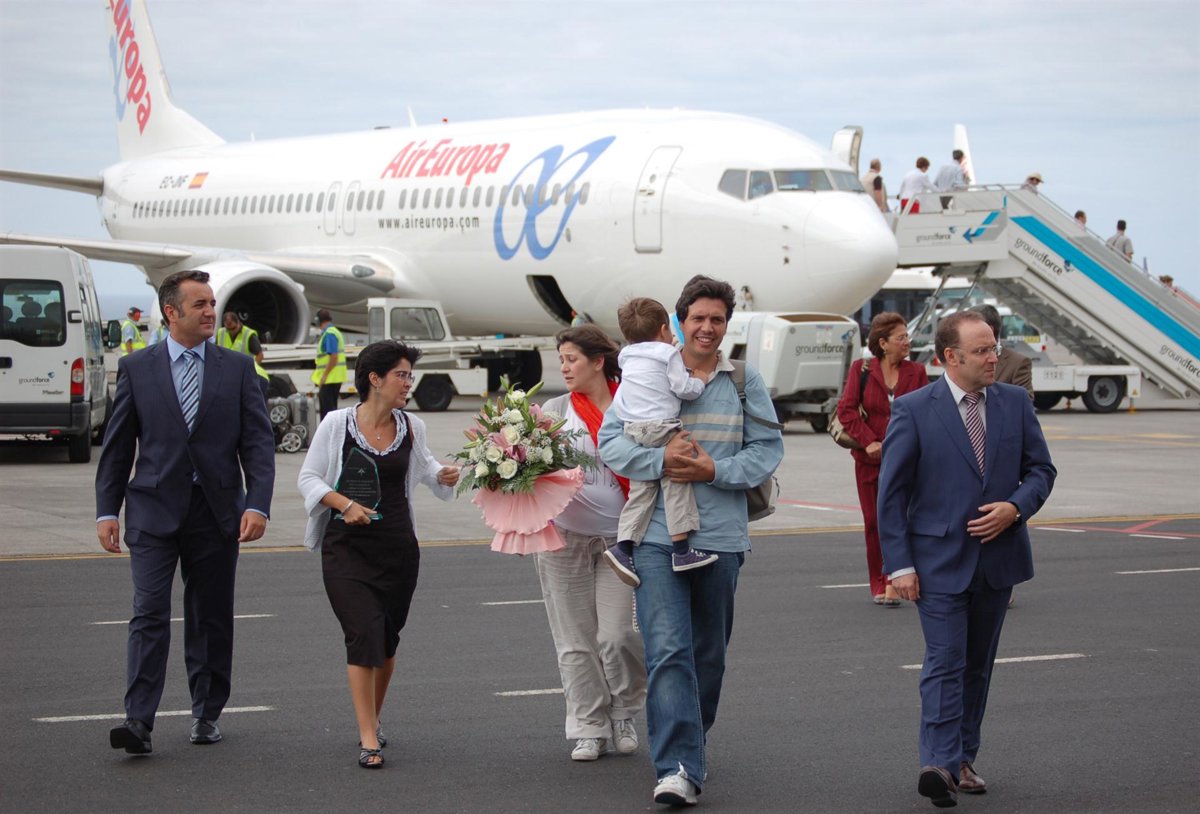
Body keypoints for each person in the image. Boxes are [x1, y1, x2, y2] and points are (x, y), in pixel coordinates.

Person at [599, 275, 784, 806]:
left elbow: (767, 450)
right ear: (678, 323)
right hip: (656, 536)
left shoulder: (743, 380)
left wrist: (714, 471)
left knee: (708, 656)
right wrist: (660, 460)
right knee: (667, 651)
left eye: (716, 319)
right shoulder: (649, 370)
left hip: (721, 536)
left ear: (727, 325)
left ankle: (690, 746)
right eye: (697, 317)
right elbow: (611, 442)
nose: (707, 327)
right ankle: (677, 767)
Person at [878, 310, 1056, 808]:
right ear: (949, 357)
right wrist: (900, 565)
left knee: (977, 665)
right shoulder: (914, 409)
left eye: (993, 347)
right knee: (945, 660)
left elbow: (1041, 470)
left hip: (998, 560)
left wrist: (1014, 508)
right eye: (981, 350)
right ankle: (937, 762)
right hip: (936, 562)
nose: (993, 357)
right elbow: (891, 494)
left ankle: (961, 759)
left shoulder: (1015, 403)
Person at [96, 269, 275, 756]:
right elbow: (117, 448)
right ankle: (137, 721)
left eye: (212, 303)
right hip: (152, 512)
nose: (211, 311)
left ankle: (206, 712)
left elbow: (258, 445)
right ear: (171, 312)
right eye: (200, 304)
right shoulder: (138, 368)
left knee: (209, 616)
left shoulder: (237, 368)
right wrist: (106, 511)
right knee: (148, 612)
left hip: (216, 513)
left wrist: (257, 503)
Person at [297, 340, 459, 769]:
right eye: (401, 375)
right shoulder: (337, 424)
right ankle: (368, 737)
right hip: (347, 549)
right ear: (375, 378)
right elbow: (309, 479)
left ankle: (374, 718)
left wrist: (446, 474)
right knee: (363, 632)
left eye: (410, 376)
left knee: (386, 639)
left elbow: (428, 469)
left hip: (398, 549)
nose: (408, 383)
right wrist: (344, 504)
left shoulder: (412, 426)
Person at [536, 324, 646, 762]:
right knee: (574, 640)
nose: (564, 368)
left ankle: (623, 712)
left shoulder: (630, 405)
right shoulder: (554, 410)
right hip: (565, 538)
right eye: (561, 360)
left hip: (622, 540)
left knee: (618, 635)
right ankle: (589, 726)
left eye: (572, 359)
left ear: (598, 362)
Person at [604, 297, 709, 588]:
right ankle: (681, 549)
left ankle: (624, 546)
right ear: (664, 329)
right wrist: (699, 380)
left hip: (633, 427)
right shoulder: (668, 354)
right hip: (661, 425)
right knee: (676, 481)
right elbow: (682, 388)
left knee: (643, 488)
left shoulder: (627, 356)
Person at [835, 312, 929, 607]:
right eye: (901, 337)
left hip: (907, 461)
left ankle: (897, 577)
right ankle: (880, 579)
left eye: (907, 336)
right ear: (883, 343)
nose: (907, 342)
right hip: (869, 461)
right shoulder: (861, 369)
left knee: (904, 518)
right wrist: (868, 442)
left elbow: (925, 412)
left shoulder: (917, 371)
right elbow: (847, 410)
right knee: (874, 521)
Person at [972, 305, 1033, 400]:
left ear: (989, 330)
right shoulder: (962, 356)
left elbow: (1024, 403)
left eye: (972, 328)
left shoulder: (1017, 363)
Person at [216, 311, 270, 401]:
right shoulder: (221, 333)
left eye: (233, 328)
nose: (231, 331)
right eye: (228, 329)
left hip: (252, 375)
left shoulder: (248, 334)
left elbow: (260, 355)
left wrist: (250, 369)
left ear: (238, 323)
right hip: (231, 376)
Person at [313, 308, 347, 419]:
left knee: (327, 413)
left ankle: (330, 431)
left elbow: (334, 357)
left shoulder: (329, 334)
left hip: (330, 379)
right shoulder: (333, 332)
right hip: (333, 378)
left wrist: (324, 376)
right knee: (330, 412)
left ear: (318, 321)